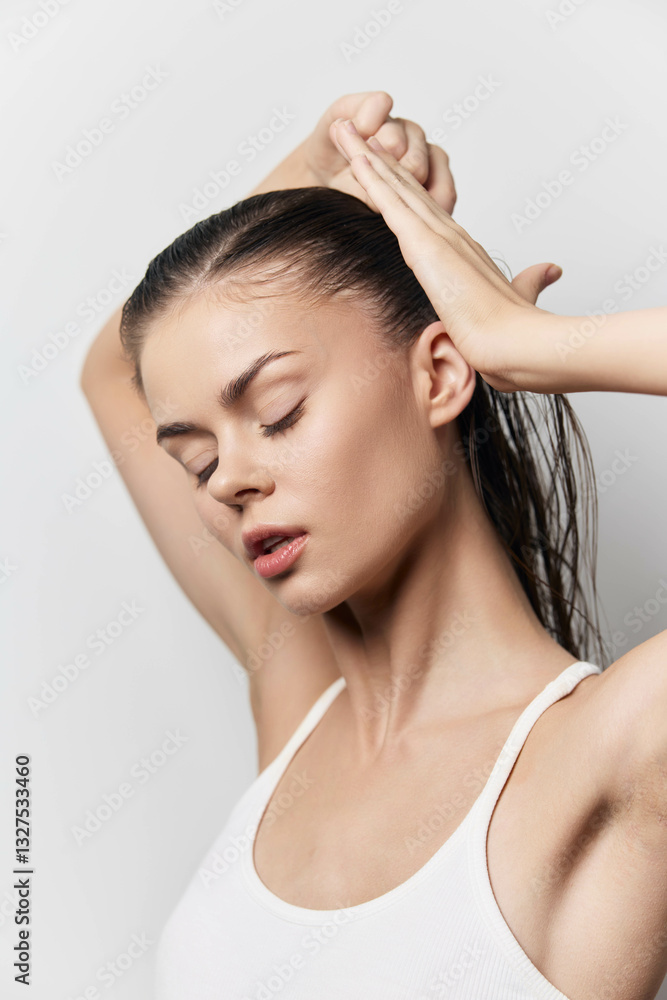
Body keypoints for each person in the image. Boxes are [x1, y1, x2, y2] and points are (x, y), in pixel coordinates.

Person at [80, 91, 667, 999]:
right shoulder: (299, 699)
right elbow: (114, 371)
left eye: (277, 413)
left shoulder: (618, 748)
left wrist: (531, 347)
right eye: (195, 462)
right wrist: (326, 169)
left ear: (438, 372)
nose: (229, 479)